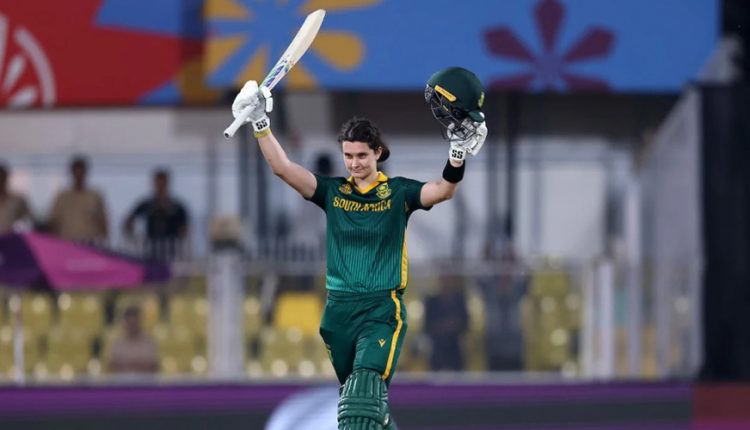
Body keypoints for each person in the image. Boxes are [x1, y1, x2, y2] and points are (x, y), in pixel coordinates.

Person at [231, 66, 487, 429]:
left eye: (362, 156)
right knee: (368, 405)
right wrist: (260, 123)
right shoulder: (332, 193)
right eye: (348, 156)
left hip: (381, 310)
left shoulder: (398, 193)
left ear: (378, 152)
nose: (354, 164)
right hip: (338, 313)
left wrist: (456, 154)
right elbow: (283, 168)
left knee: (360, 402)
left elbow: (443, 190)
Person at [123, 168, 189, 260]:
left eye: (163, 183)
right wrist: (134, 238)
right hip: (151, 247)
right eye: (158, 183)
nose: (160, 187)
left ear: (167, 183)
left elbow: (185, 229)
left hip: (171, 248)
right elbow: (130, 220)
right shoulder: (147, 204)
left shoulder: (177, 206)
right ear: (154, 183)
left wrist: (183, 246)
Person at [48, 155, 108, 243]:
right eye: (76, 172)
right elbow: (53, 222)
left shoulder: (95, 196)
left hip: (89, 242)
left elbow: (103, 222)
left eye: (81, 172)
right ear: (72, 173)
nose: (79, 176)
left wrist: (104, 240)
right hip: (67, 242)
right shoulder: (62, 197)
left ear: (85, 173)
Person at [424, 272, 469, 371]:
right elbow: (427, 326)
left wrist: (453, 325)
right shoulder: (432, 301)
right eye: (444, 278)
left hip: (455, 350)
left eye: (449, 279)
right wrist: (444, 326)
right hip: (437, 350)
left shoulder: (460, 300)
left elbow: (465, 323)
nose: (447, 282)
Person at [105, 304, 160, 374]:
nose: (132, 326)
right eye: (130, 323)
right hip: (122, 380)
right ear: (125, 323)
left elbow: (154, 366)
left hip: (144, 380)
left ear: (140, 322)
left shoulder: (149, 343)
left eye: (134, 323)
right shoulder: (117, 344)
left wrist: (127, 364)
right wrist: (137, 364)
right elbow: (111, 366)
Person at [0, 162, 33, 234]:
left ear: (6, 177)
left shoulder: (18, 200)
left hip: (12, 237)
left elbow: (28, 221)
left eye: (2, 177)